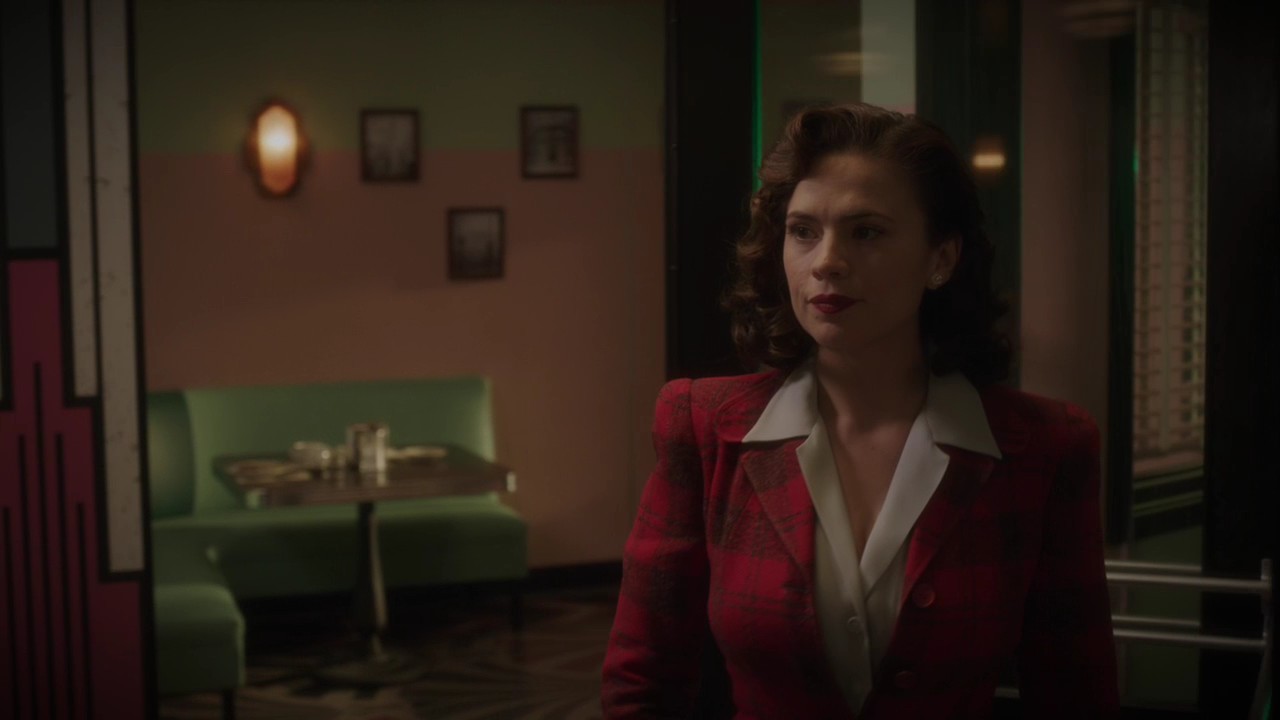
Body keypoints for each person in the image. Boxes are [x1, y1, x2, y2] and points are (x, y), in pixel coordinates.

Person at [601, 103, 1119, 719]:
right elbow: (643, 682)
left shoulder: (1045, 446)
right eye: (803, 231)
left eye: (866, 231)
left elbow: (1074, 691)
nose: (826, 261)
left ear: (940, 259)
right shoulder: (704, 424)